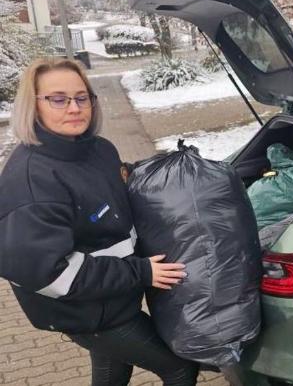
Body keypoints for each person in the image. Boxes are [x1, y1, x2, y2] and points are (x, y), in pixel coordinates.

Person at [0, 58, 200, 385]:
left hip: (112, 298)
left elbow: (116, 193)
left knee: (112, 372)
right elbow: (51, 273)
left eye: (82, 97)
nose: (74, 108)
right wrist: (143, 272)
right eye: (58, 99)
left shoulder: (98, 150)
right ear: (32, 106)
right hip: (86, 312)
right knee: (179, 367)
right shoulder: (32, 180)